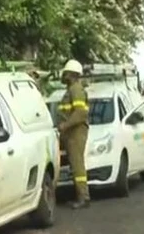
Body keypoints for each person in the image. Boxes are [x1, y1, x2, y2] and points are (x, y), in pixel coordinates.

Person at [56, 59, 91, 209]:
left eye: (65, 73)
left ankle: (83, 197)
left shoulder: (76, 90)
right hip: (71, 133)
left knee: (77, 165)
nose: (63, 76)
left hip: (76, 132)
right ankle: (81, 195)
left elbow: (80, 113)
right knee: (75, 165)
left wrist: (65, 125)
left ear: (71, 74)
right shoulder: (71, 90)